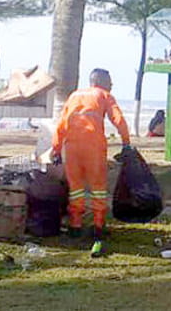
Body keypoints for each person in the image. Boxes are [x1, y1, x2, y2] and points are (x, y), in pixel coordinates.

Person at [50, 68, 132, 257]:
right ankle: (98, 226)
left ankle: (75, 226)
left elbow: (61, 125)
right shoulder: (104, 95)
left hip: (72, 147)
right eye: (110, 81)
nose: (112, 85)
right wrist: (126, 142)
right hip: (93, 147)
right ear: (102, 81)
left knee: (76, 188)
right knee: (98, 188)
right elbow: (118, 119)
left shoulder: (74, 96)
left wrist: (56, 149)